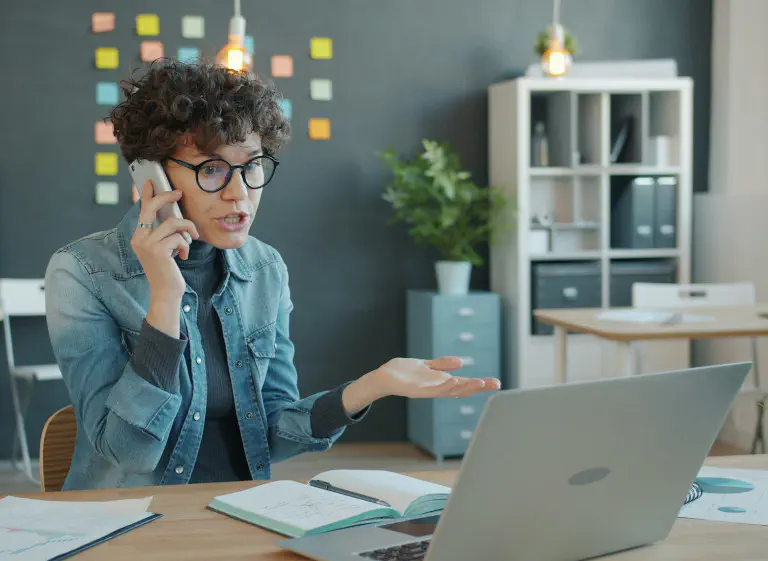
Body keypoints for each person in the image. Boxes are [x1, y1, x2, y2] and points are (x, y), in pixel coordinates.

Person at [44, 61, 499, 491]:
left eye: (251, 165)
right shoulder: (83, 272)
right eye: (212, 169)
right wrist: (165, 297)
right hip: (130, 524)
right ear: (151, 178)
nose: (239, 193)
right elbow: (130, 452)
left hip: (241, 511)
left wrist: (373, 386)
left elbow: (272, 434)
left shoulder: (264, 270)